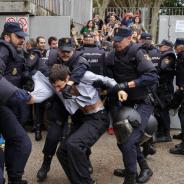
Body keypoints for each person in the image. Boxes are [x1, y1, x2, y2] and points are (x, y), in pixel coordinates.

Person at [48, 64, 127, 184]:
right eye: (55, 87)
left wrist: (120, 89)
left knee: (74, 145)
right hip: (83, 119)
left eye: (59, 86)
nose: (57, 89)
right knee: (62, 151)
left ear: (67, 79)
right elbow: (71, 109)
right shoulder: (61, 90)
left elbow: (108, 80)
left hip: (98, 117)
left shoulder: (85, 77)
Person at [106, 27, 158, 184]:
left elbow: (151, 76)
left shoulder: (138, 53)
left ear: (129, 39)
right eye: (115, 41)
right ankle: (142, 168)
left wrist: (127, 85)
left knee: (130, 141)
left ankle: (130, 178)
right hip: (124, 103)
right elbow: (110, 79)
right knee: (124, 141)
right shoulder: (111, 56)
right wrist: (116, 89)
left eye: (120, 41)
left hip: (143, 102)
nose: (116, 44)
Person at [37, 37, 90, 181]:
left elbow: (81, 70)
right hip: (58, 103)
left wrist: (69, 83)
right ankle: (45, 165)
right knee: (53, 136)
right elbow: (44, 72)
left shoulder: (80, 59)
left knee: (81, 136)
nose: (65, 54)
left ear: (73, 50)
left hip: (77, 102)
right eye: (62, 51)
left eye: (68, 51)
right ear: (57, 50)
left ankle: (85, 162)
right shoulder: (53, 57)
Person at [0, 74, 33, 184]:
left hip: (3, 102)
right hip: (11, 95)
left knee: (22, 142)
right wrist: (27, 96)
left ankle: (15, 179)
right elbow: (11, 92)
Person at [153, 39, 176, 143]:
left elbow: (162, 66)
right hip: (161, 88)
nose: (159, 48)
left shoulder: (169, 55)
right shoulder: (163, 55)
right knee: (159, 110)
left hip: (165, 89)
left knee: (163, 110)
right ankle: (161, 131)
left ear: (167, 47)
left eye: (161, 46)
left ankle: (166, 134)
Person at [169, 38, 184, 155]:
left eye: (177, 46)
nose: (175, 47)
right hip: (182, 88)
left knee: (183, 114)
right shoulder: (180, 55)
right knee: (180, 113)